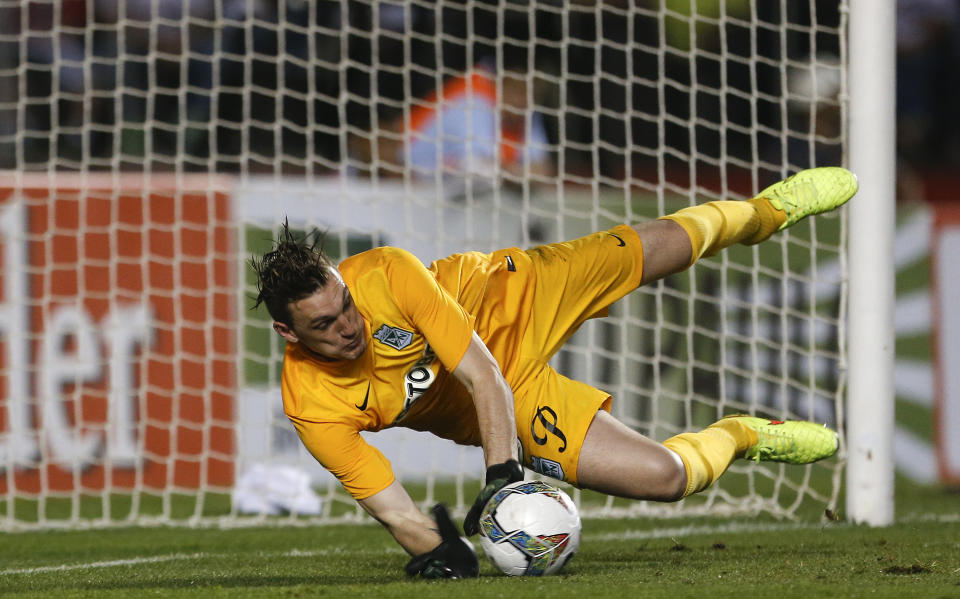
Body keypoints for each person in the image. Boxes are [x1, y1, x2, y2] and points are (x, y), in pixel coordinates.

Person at [251, 166, 858, 579]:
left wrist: (501, 476)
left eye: (346, 307)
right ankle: (746, 435)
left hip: (509, 300)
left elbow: (481, 373)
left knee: (663, 248)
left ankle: (768, 209)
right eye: (325, 326)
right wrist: (445, 553)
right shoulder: (312, 403)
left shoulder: (386, 271)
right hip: (511, 400)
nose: (348, 327)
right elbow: (395, 512)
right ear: (288, 334)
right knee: (665, 479)